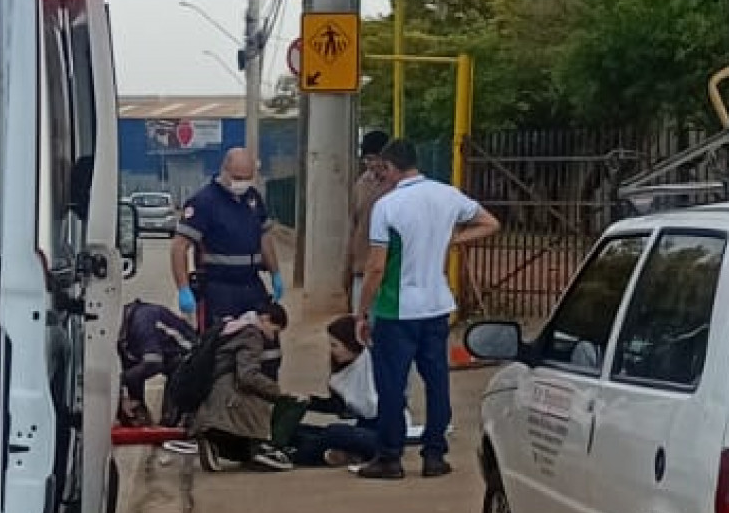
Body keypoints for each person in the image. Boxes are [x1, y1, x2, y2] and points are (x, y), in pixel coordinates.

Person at [353, 138, 499, 480]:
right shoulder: (447, 195)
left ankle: (390, 458)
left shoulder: (388, 206)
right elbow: (490, 223)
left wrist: (361, 312)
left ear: (390, 167)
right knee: (437, 382)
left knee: (391, 385)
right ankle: (435, 456)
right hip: (436, 306)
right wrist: (452, 240)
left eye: (382, 170)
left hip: (396, 308)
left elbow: (375, 268)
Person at [170, 144, 285, 331]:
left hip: (251, 284)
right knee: (221, 349)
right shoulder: (205, 201)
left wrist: (275, 273)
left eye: (248, 178)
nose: (243, 183)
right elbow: (179, 246)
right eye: (238, 178)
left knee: (264, 342)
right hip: (219, 288)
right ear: (224, 170)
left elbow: (265, 237)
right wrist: (183, 289)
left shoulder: (252, 198)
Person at [186, 300, 294, 472]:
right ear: (265, 319)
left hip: (212, 394)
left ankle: (212, 441)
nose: (273, 338)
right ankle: (247, 447)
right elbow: (247, 376)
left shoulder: (232, 326)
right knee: (259, 410)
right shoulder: (252, 335)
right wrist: (275, 392)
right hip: (228, 393)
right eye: (275, 331)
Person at [286, 313, 382, 467]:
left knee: (335, 432)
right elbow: (337, 406)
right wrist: (308, 401)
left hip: (381, 433)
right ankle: (345, 455)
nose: (332, 351)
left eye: (335, 345)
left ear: (351, 343)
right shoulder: (341, 374)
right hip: (360, 428)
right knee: (295, 430)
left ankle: (300, 455)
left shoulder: (369, 361)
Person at [116, 296, 195, 422]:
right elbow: (134, 372)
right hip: (168, 358)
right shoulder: (123, 334)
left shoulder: (141, 321)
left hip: (189, 357)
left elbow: (152, 364)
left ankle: (173, 420)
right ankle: (142, 414)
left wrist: (119, 382)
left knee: (170, 420)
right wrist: (133, 401)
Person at [344, 125, 395, 317]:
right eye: (367, 159)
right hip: (362, 269)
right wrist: (347, 270)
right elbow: (353, 227)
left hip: (391, 272)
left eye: (374, 158)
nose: (370, 164)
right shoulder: (361, 185)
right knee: (362, 326)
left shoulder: (398, 186)